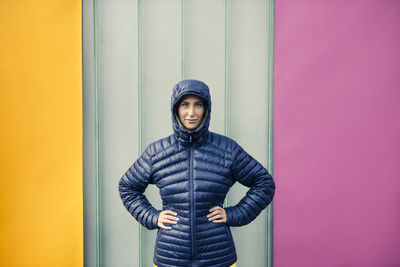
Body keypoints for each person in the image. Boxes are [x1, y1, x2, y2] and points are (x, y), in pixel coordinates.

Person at [119, 79, 275, 267]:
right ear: (176, 109)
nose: (191, 113)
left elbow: (264, 183)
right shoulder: (157, 152)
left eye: (198, 105)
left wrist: (234, 214)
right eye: (185, 105)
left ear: (206, 109)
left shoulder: (227, 149)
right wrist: (152, 216)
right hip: (170, 259)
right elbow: (128, 187)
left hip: (218, 259)